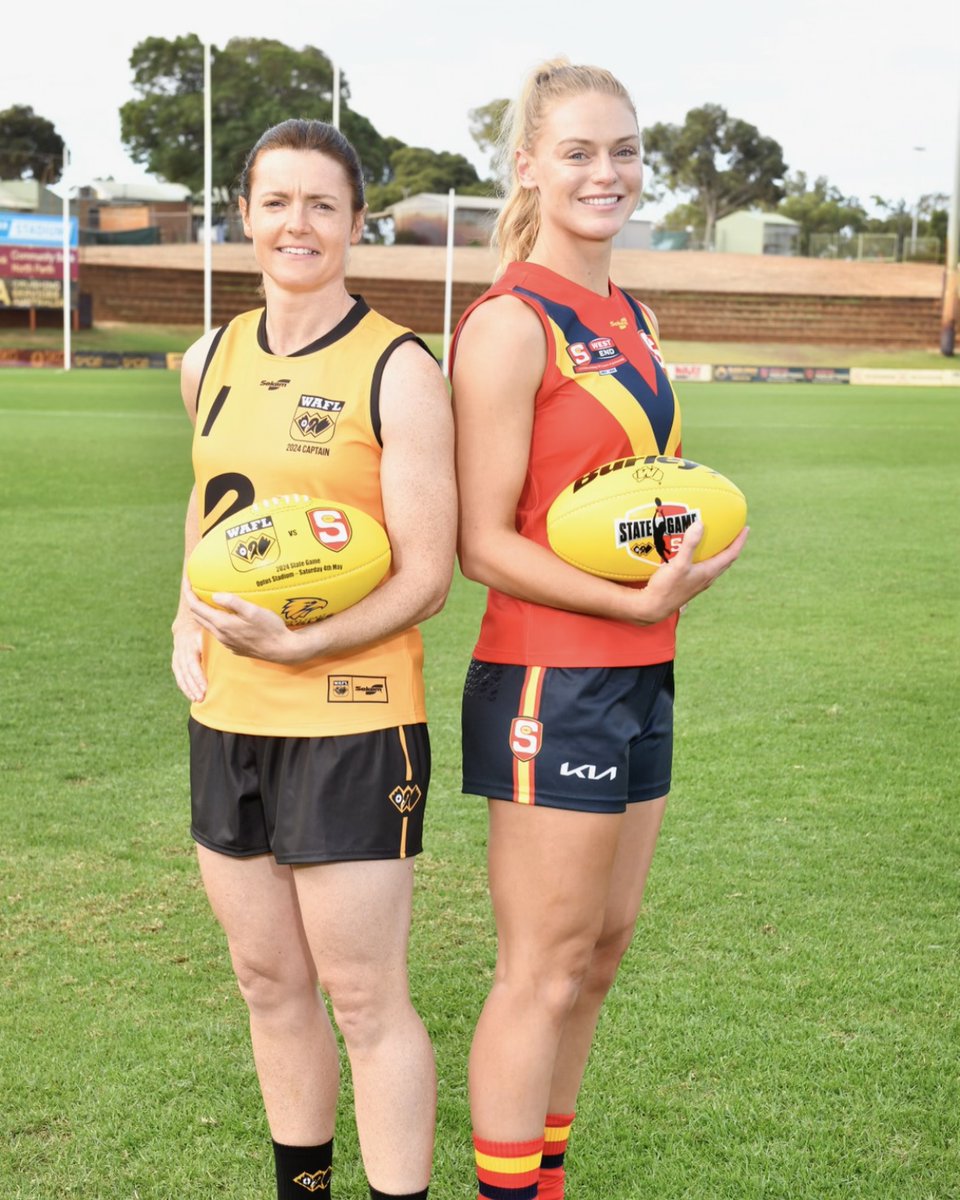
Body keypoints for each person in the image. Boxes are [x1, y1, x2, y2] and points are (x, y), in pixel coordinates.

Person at [450, 60, 748, 1199]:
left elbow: (626, 498)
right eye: (577, 151)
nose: (606, 172)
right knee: (542, 965)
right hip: (548, 677)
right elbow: (485, 542)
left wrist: (679, 553)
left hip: (640, 663)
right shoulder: (510, 324)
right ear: (526, 165)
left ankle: (544, 1181)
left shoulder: (632, 315)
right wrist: (634, 600)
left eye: (622, 150)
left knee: (602, 952)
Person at [171, 118, 456, 1200]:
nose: (298, 224)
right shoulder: (211, 357)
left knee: (364, 996)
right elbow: (206, 506)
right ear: (245, 214)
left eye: (322, 205)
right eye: (277, 202)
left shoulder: (397, 366)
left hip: (351, 715)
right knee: (266, 980)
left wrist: (304, 643)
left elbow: (427, 574)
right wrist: (181, 616)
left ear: (354, 222)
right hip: (229, 717)